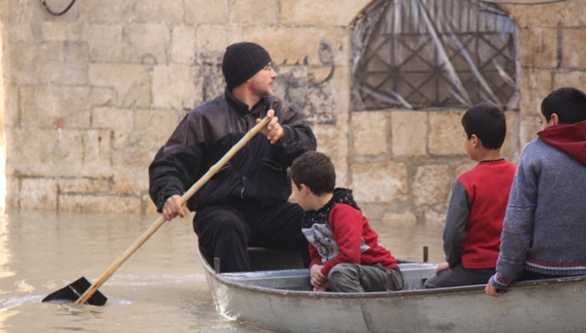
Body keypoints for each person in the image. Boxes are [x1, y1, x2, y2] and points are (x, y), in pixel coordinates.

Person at [148, 42, 317, 273]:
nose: (274, 74)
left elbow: (308, 148)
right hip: (219, 213)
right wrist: (169, 194)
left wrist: (283, 136)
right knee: (229, 226)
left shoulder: (279, 112)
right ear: (248, 76)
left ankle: (322, 284)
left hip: (269, 212)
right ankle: (241, 294)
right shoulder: (203, 119)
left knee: (314, 222)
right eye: (267, 68)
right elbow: (167, 164)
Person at [485, 87, 586, 297]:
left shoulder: (534, 154)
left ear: (554, 119)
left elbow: (517, 222)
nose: (540, 129)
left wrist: (503, 277)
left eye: (541, 122)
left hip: (543, 273)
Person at [423, 103, 517, 289]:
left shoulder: (466, 182)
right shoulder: (519, 175)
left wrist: (452, 262)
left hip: (476, 269)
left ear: (474, 140)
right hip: (512, 266)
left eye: (464, 136)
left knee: (430, 286)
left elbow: (452, 235)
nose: (464, 141)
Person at [287, 151, 403, 293]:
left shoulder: (343, 211)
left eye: (294, 189)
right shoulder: (310, 217)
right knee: (337, 273)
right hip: (346, 272)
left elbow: (350, 256)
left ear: (304, 190)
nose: (294, 195)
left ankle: (360, 312)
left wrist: (324, 272)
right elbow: (317, 252)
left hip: (383, 274)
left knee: (339, 274)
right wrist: (315, 268)